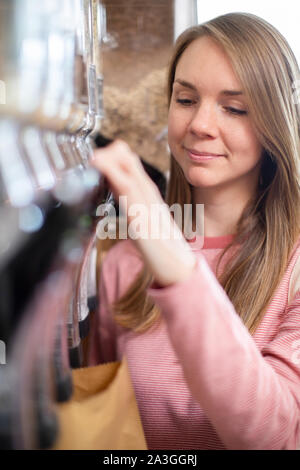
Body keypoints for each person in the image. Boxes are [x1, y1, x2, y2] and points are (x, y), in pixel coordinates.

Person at [88, 12, 300, 450]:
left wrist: (176, 261)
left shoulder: (294, 264)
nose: (200, 125)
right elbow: (98, 422)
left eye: (234, 108)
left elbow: (275, 436)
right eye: (185, 100)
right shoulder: (124, 258)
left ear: (275, 124)